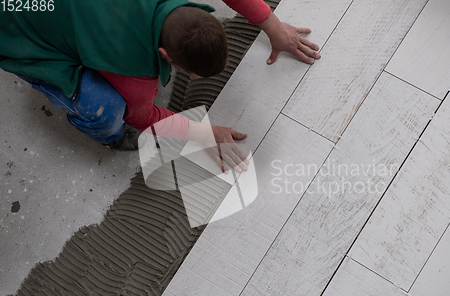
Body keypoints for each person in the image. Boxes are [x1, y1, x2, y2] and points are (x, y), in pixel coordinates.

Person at [0, 0, 320, 173]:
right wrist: (202, 133)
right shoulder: (133, 75)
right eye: (188, 71)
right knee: (106, 109)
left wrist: (272, 25)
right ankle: (108, 138)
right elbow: (143, 116)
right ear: (165, 56)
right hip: (18, 16)